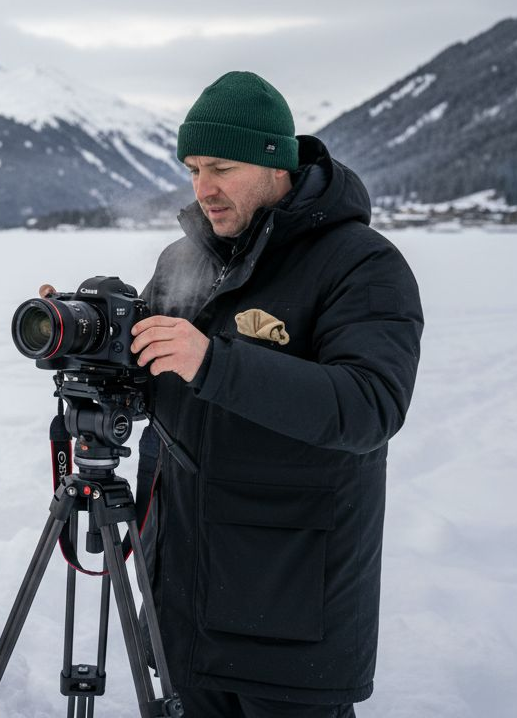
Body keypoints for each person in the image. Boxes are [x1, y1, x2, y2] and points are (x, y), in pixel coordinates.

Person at [129, 71, 423, 717]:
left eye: (221, 167)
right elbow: (156, 379)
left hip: (290, 608)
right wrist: (96, 349)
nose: (203, 188)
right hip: (183, 594)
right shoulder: (188, 257)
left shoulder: (361, 262)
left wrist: (214, 363)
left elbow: (370, 405)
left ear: (275, 163)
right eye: (193, 168)